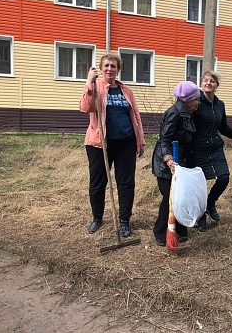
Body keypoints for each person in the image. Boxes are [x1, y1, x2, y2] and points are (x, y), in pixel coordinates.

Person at [79, 53, 145, 238]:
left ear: (118, 70)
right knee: (98, 182)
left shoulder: (126, 91)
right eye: (106, 66)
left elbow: (136, 116)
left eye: (113, 66)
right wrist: (89, 83)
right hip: (99, 144)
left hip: (126, 143)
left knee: (126, 183)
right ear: (101, 69)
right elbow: (85, 107)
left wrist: (140, 140)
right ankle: (97, 218)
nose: (109, 69)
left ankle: (124, 221)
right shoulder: (97, 87)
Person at [190, 70, 232, 233]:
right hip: (197, 149)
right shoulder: (195, 102)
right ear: (201, 83)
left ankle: (210, 203)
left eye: (212, 81)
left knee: (224, 178)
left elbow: (224, 128)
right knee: (200, 186)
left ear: (217, 86)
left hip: (215, 147)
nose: (208, 83)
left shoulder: (220, 105)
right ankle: (200, 218)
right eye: (205, 80)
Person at [151, 81, 201, 246]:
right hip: (167, 163)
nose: (198, 103)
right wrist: (169, 159)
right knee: (170, 198)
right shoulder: (174, 113)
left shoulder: (188, 112)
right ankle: (160, 231)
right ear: (188, 99)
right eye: (196, 100)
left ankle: (180, 230)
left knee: (180, 197)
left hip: (181, 162)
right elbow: (164, 139)